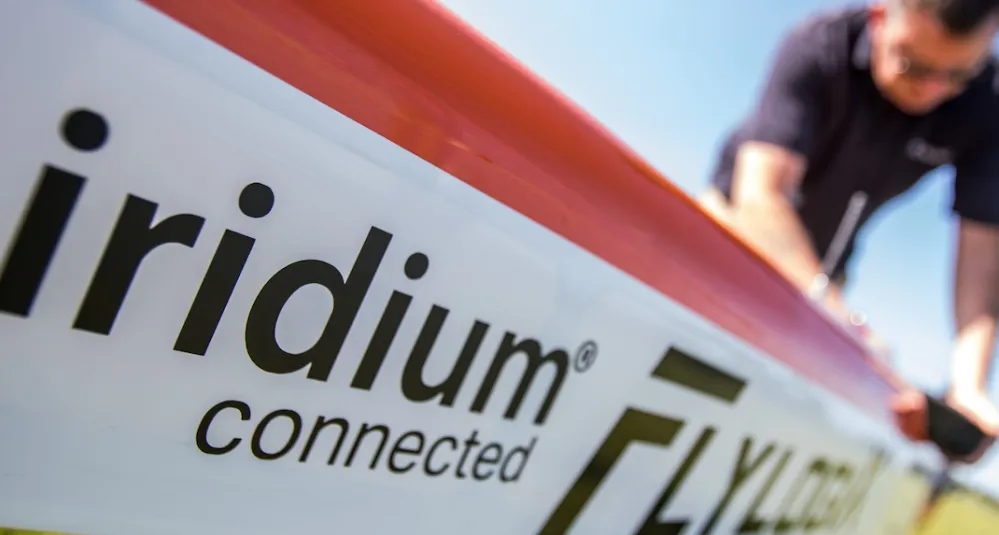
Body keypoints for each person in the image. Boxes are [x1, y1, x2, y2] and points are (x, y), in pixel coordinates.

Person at [696, 0, 999, 460]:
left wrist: (969, 387)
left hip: (829, 275)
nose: (934, 89)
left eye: (958, 75)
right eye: (914, 65)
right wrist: (842, 320)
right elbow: (761, 197)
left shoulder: (987, 103)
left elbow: (980, 259)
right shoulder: (818, 45)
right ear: (881, 17)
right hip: (730, 235)